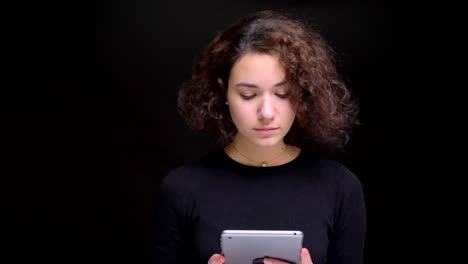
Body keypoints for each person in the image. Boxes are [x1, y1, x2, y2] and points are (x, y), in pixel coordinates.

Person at [152, 10, 366, 264]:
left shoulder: (339, 187)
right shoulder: (182, 189)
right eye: (248, 95)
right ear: (224, 92)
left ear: (303, 94)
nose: (266, 113)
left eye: (283, 94)